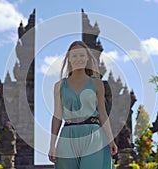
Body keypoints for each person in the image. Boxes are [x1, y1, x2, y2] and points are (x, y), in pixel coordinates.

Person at [48, 41, 118, 169]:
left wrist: (111, 139)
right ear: (68, 59)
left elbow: (102, 113)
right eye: (74, 56)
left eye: (81, 55)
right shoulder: (59, 86)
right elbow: (57, 115)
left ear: (87, 58)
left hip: (93, 134)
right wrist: (52, 145)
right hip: (68, 134)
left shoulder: (97, 84)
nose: (78, 59)